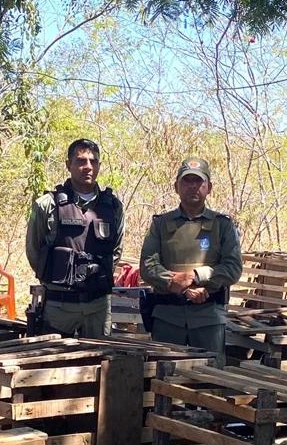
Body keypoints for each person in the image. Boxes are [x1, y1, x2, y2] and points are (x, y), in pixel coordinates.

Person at [139, 157, 242, 366]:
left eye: (199, 181)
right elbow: (148, 265)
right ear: (176, 186)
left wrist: (197, 277)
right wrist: (177, 285)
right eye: (187, 181)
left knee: (209, 386)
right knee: (164, 384)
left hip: (209, 319)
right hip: (168, 318)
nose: (193, 186)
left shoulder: (222, 225)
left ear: (209, 187)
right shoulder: (160, 224)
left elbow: (233, 268)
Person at [26, 139, 124, 338]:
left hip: (98, 306)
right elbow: (34, 251)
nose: (87, 167)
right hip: (59, 305)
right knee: (53, 365)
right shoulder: (47, 205)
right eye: (80, 161)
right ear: (68, 165)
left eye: (93, 161)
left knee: (99, 364)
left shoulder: (113, 206)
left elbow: (116, 250)